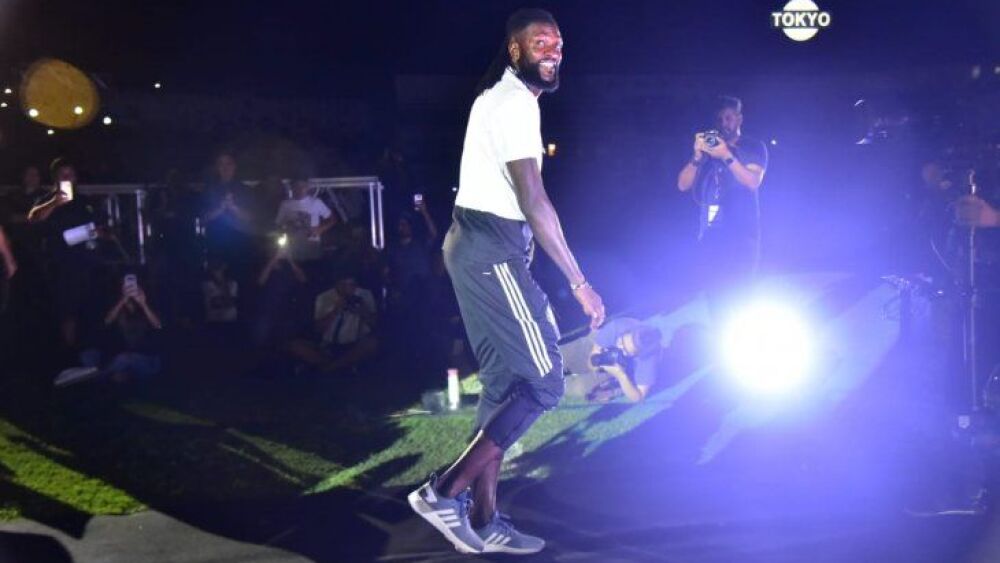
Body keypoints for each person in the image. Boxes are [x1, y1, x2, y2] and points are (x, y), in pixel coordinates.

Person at [407, 9, 605, 555]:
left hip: (475, 246)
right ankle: (443, 492)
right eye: (540, 42)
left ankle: (487, 518)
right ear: (515, 51)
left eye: (559, 43)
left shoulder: (500, 99)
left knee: (503, 387)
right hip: (490, 249)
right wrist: (579, 282)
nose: (553, 50)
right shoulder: (514, 103)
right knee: (544, 379)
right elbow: (533, 199)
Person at [677, 96, 768, 317]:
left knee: (739, 298)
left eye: (728, 118)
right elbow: (682, 184)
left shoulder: (753, 146)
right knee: (715, 299)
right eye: (720, 119)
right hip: (710, 235)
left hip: (741, 236)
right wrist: (697, 156)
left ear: (739, 119)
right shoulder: (709, 152)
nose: (724, 123)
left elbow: (752, 181)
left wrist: (726, 155)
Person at [55, 273, 163, 386]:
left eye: (132, 285)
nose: (129, 288)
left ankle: (96, 375)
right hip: (118, 360)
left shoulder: (149, 303)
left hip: (146, 359)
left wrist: (144, 304)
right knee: (88, 355)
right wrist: (122, 301)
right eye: (126, 285)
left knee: (125, 358)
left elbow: (158, 326)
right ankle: (102, 375)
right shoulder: (116, 304)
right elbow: (107, 321)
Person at [287, 273, 379, 375]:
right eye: (343, 284)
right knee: (295, 345)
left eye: (351, 285)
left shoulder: (364, 295)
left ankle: (328, 368)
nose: (347, 289)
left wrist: (363, 311)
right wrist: (335, 311)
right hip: (328, 346)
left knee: (371, 344)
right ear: (337, 285)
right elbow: (318, 329)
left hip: (353, 344)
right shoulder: (324, 297)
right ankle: (337, 365)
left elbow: (374, 323)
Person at [565, 318, 663, 403]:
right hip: (598, 345)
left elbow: (638, 397)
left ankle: (613, 388)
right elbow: (593, 359)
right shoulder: (617, 327)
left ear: (637, 354)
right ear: (627, 332)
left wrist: (621, 375)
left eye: (625, 350)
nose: (620, 347)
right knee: (560, 355)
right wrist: (599, 362)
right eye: (621, 341)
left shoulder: (648, 361)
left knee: (577, 387)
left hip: (621, 370)